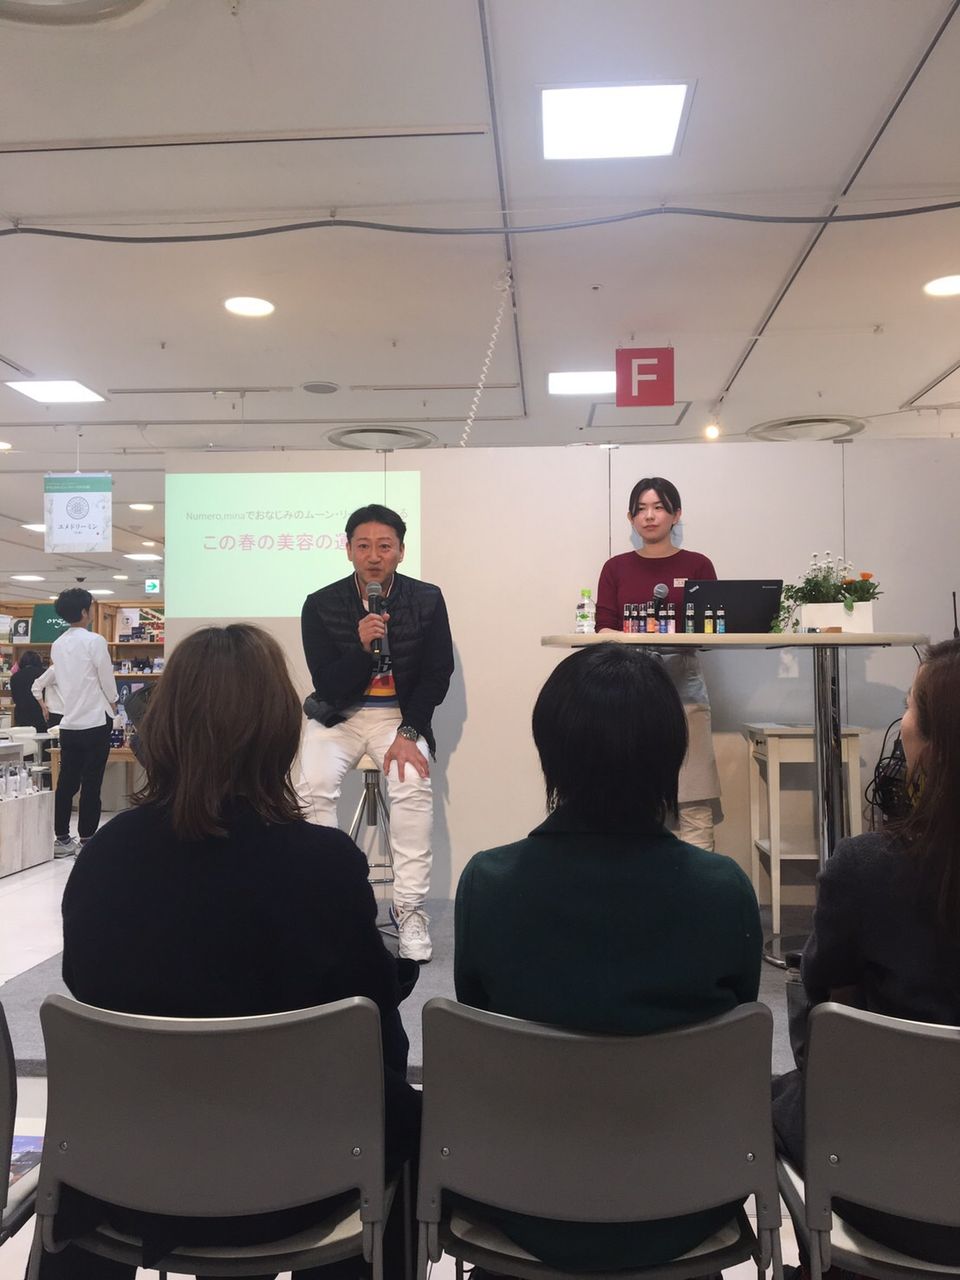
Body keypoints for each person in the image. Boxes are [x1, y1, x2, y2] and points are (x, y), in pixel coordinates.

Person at [55, 623, 421, 1280]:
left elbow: (87, 990)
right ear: (278, 729)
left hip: (131, 1176)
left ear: (164, 725)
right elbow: (377, 1039)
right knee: (402, 1117)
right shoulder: (325, 866)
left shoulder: (107, 858)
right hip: (306, 1181)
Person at [455, 644, 762, 1271]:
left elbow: (479, 1017)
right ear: (670, 756)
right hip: (687, 1201)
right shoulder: (722, 891)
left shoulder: (489, 884)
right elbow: (738, 1020)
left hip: (521, 1198)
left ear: (549, 754)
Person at [773, 638, 960, 1267]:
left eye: (908, 706)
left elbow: (829, 1005)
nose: (899, 723)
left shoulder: (864, 871)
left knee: (774, 1083)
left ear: (934, 745)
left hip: (884, 1195)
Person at [300, 503, 454, 963]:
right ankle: (328, 908)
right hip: (338, 717)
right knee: (312, 789)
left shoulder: (427, 599)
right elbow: (328, 685)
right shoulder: (320, 603)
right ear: (348, 549)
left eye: (384, 546)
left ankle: (409, 911)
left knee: (411, 783)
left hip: (398, 719)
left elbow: (437, 674)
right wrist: (363, 647)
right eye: (363, 545)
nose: (373, 556)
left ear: (401, 551)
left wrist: (410, 730)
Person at [596, 476, 721, 850]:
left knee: (693, 793)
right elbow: (604, 626)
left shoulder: (698, 564)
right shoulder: (615, 567)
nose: (649, 516)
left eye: (659, 508)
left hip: (684, 683)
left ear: (676, 514)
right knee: (631, 790)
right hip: (629, 686)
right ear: (631, 518)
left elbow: (712, 629)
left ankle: (698, 882)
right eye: (641, 509)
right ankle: (639, 879)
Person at [50, 588, 118, 858]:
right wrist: (114, 701)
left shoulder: (57, 644)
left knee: (66, 783)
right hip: (95, 720)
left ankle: (61, 838)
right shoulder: (95, 641)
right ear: (83, 612)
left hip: (69, 723)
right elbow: (106, 677)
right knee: (91, 783)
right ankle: (87, 839)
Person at [9, 648, 47, 732]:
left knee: (24, 737)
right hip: (40, 714)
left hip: (22, 714)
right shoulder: (44, 674)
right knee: (42, 737)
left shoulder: (15, 677)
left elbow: (14, 698)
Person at [31, 659, 65, 727]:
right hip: (57, 712)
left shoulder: (76, 669)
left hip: (70, 713)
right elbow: (36, 686)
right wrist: (43, 707)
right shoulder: (54, 669)